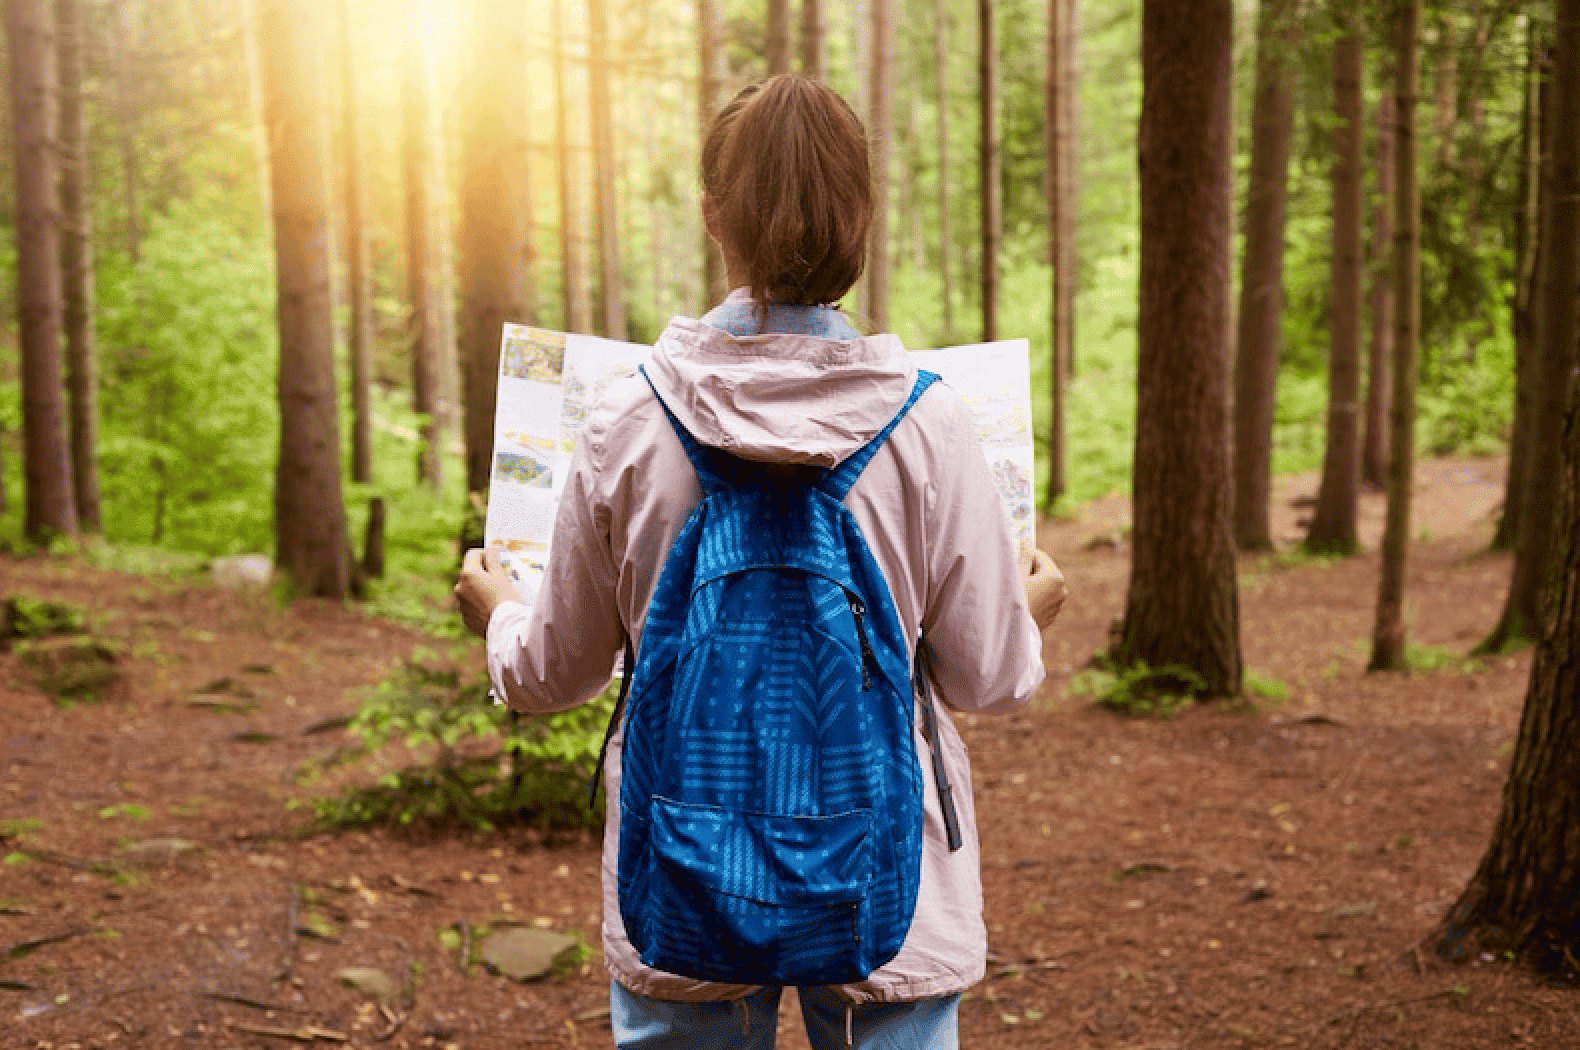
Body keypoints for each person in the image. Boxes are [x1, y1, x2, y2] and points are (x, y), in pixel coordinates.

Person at [456, 73, 1068, 1050]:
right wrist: (1026, 610)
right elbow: (986, 678)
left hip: (681, 867)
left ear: (711, 217)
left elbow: (548, 675)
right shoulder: (931, 422)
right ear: (860, 215)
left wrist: (497, 614)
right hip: (887, 881)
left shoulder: (624, 420)